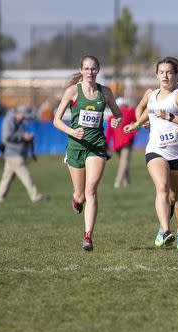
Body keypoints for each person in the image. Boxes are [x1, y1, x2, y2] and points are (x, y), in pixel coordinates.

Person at [53, 55, 122, 251]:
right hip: (76, 146)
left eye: (93, 69)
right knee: (81, 195)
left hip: (97, 146)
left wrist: (116, 121)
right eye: (86, 68)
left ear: (98, 70)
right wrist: (72, 131)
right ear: (81, 70)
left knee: (91, 189)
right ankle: (76, 199)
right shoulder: (73, 92)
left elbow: (118, 114)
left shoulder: (105, 92)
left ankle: (87, 236)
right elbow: (56, 121)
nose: (90, 72)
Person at [125, 57, 178, 250]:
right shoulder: (152, 95)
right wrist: (137, 124)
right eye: (161, 72)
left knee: (177, 196)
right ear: (156, 75)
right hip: (155, 150)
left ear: (177, 75)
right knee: (162, 187)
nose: (165, 75)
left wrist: (171, 117)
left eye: (170, 72)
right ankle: (166, 230)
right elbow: (149, 110)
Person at [0, 105, 47, 204]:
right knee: (25, 175)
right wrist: (23, 136)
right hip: (13, 154)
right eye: (23, 116)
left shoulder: (18, 121)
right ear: (17, 113)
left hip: (15, 154)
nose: (24, 118)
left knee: (7, 178)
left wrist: (27, 138)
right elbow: (6, 137)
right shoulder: (9, 120)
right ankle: (35, 197)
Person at [106, 97, 137, 188]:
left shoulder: (111, 117)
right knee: (124, 162)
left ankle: (126, 182)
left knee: (124, 162)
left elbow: (109, 133)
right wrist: (133, 132)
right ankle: (118, 181)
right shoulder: (129, 111)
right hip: (126, 141)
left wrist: (107, 145)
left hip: (117, 144)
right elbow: (137, 121)